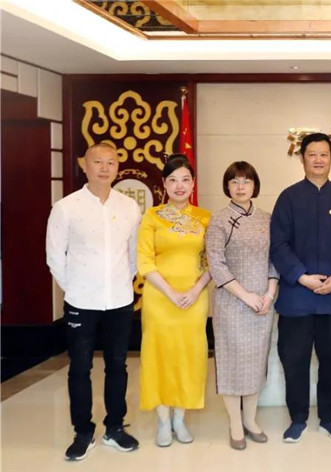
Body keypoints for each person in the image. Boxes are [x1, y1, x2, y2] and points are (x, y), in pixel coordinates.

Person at [46, 142, 141, 461]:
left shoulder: (129, 207)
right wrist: (75, 287)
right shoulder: (66, 207)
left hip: (119, 301)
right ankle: (83, 432)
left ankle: (115, 428)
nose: (104, 167)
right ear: (83, 165)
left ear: (118, 167)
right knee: (80, 367)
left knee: (118, 365)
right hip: (80, 300)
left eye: (110, 162)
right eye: (97, 162)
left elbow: (133, 255)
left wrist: (119, 282)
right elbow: (54, 256)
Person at [270, 133, 331, 443]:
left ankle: (329, 418)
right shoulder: (288, 197)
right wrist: (301, 276)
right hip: (297, 297)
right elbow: (278, 245)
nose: (319, 159)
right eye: (312, 154)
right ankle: (297, 419)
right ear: (302, 158)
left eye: (324, 154)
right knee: (293, 360)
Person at [137, 154, 211, 447]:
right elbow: (144, 261)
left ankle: (180, 418)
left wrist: (195, 290)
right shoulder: (152, 216)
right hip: (159, 299)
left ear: (193, 184)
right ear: (164, 184)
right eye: (173, 180)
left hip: (195, 298)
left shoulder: (205, 218)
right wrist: (171, 293)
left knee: (189, 356)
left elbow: (212, 261)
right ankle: (163, 420)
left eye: (185, 180)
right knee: (159, 356)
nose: (179, 186)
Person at [206, 161, 278, 450]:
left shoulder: (266, 218)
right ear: (227, 186)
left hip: (262, 304)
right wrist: (246, 295)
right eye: (234, 181)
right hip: (232, 304)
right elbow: (216, 264)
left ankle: (250, 420)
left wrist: (269, 293)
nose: (240, 187)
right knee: (232, 363)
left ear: (254, 185)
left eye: (246, 181)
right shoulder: (219, 220)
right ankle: (235, 424)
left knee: (255, 363)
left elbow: (274, 259)